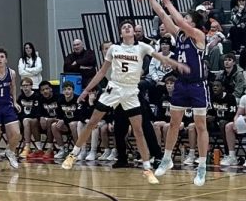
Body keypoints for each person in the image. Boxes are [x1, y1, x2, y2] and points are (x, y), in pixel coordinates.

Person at [62, 18, 185, 177]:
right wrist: (86, 90)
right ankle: (73, 154)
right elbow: (101, 72)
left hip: (131, 91)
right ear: (121, 33)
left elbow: (161, 57)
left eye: (129, 27)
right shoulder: (114, 48)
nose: (127, 28)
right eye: (124, 27)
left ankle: (147, 168)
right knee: (93, 122)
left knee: (138, 129)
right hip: (114, 87)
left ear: (134, 31)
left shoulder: (142, 47)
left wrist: (177, 64)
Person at [145, 0, 213, 186]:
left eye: (187, 19)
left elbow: (179, 21)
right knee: (174, 123)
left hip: (198, 85)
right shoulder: (180, 35)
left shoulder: (199, 35)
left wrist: (168, 2)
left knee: (200, 126)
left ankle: (202, 166)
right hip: (182, 85)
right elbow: (164, 17)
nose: (183, 20)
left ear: (194, 23)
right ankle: (166, 159)